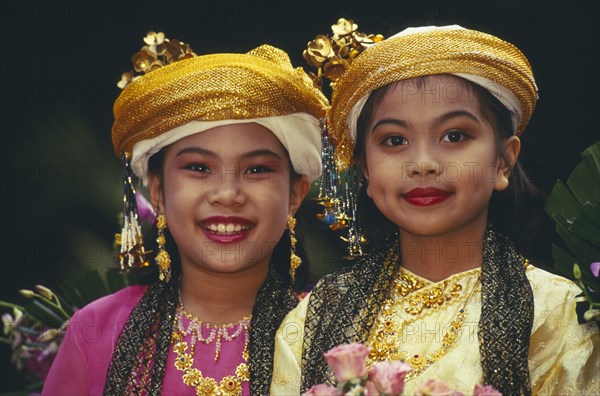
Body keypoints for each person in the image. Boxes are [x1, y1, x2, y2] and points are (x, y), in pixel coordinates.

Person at [271, 25, 599, 395]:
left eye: (455, 136)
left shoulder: (557, 314)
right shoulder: (314, 319)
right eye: (395, 140)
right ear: (365, 169)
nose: (423, 163)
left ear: (504, 162)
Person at [42, 32, 328, 395]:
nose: (228, 194)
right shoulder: (97, 329)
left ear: (295, 194)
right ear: (158, 190)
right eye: (199, 168)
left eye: (256, 170)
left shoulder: (336, 331)